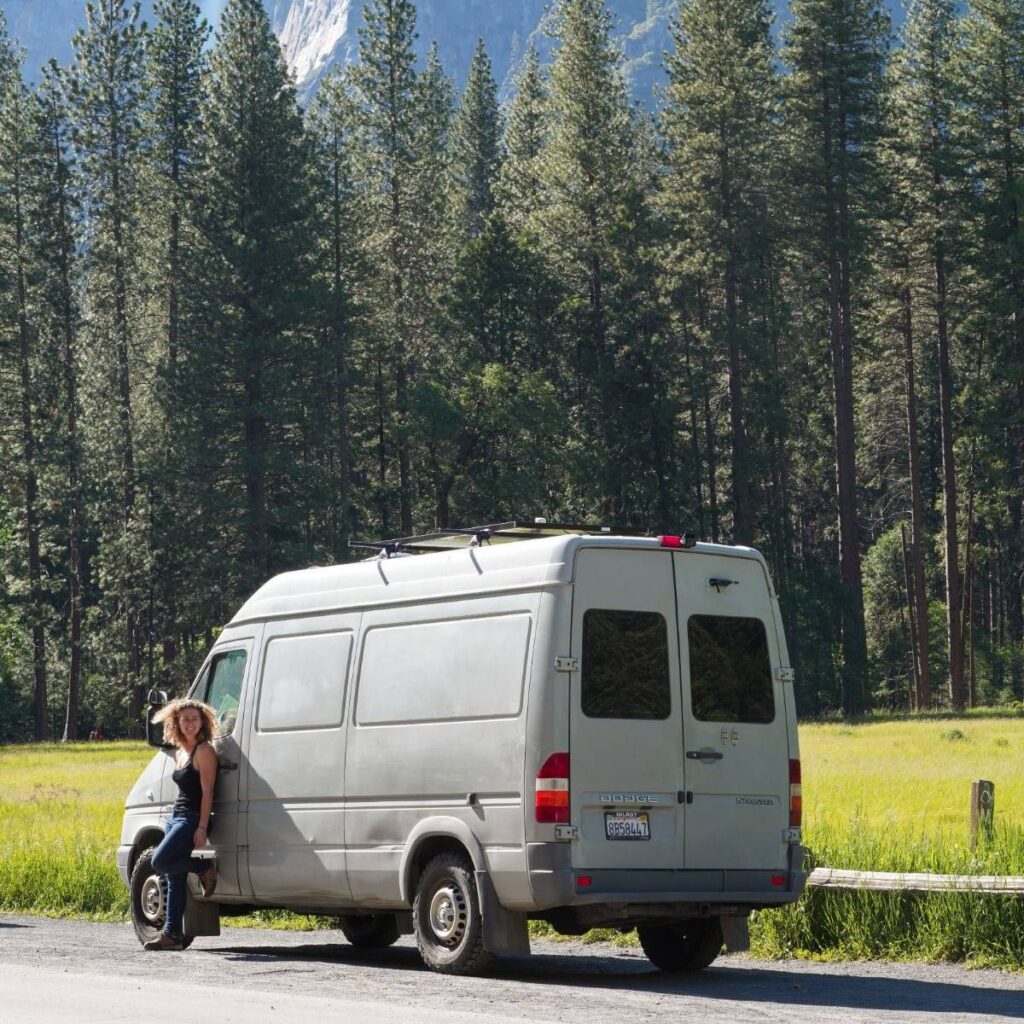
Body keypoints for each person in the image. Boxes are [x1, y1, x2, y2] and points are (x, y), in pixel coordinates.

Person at [145, 698, 219, 951]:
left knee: (159, 861)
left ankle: (203, 867)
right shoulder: (180, 751)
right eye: (185, 719)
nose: (190, 724)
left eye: (195, 719)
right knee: (173, 877)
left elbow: (208, 792)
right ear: (176, 722)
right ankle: (172, 935)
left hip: (191, 818)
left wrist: (201, 827)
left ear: (203, 722)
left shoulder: (204, 751)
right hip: (176, 816)